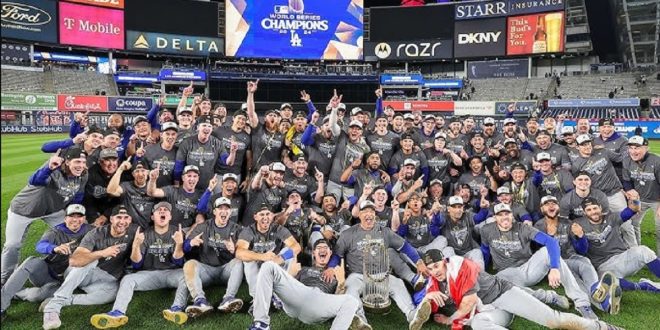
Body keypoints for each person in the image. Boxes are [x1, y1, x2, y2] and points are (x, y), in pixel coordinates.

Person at [411, 250, 621, 330]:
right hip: (490, 310)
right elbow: (425, 302)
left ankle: (603, 327)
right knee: (478, 324)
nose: (434, 272)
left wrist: (449, 320)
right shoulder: (435, 282)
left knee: (554, 321)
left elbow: (468, 302)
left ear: (445, 262)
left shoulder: (462, 267)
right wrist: (429, 296)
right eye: (430, 269)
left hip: (504, 295)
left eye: (436, 266)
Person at [480, 203, 598, 319]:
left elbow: (551, 242)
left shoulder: (523, 228)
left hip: (529, 268)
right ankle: (549, 297)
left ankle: (583, 304)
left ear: (512, 215)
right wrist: (483, 272)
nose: (504, 217)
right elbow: (485, 251)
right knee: (498, 284)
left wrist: (554, 268)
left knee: (547, 251)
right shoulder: (486, 230)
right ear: (495, 217)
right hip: (506, 273)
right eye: (500, 215)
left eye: (507, 213)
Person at [327, 200, 428, 327]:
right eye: (365, 211)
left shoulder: (385, 232)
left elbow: (405, 246)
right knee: (349, 288)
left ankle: (412, 315)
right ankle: (360, 321)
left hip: (381, 275)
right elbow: (337, 254)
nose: (368, 214)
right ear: (359, 214)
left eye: (371, 211)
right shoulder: (348, 234)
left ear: (375, 214)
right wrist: (331, 267)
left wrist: (418, 262)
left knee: (398, 284)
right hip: (359, 276)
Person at [89, 202, 185, 329]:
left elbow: (178, 261)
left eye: (165, 210)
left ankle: (176, 309)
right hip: (149, 274)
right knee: (128, 279)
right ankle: (117, 313)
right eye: (158, 210)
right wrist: (135, 246)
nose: (162, 211)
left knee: (187, 276)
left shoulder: (177, 232)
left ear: (170, 216)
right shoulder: (144, 234)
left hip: (172, 273)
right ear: (152, 217)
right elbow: (137, 264)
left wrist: (179, 244)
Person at [2, 147, 88, 286]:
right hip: (24, 210)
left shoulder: (83, 174)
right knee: (12, 245)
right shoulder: (54, 169)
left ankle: (61, 267)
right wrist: (48, 168)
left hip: (53, 211)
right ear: (67, 161)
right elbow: (35, 180)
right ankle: (5, 279)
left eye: (83, 162)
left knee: (76, 232)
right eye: (77, 161)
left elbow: (78, 195)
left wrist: (73, 216)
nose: (81, 165)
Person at [42, 205, 136, 330]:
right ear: (111, 219)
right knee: (89, 260)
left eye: (126, 218)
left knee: (113, 293)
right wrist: (101, 253)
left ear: (130, 220)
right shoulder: (96, 233)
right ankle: (53, 307)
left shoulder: (134, 232)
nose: (122, 221)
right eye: (119, 217)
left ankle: (66, 300)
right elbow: (74, 261)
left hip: (103, 279)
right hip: (82, 273)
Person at [248, 239, 369, 330]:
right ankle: (261, 323)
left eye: (325, 247)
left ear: (330, 253)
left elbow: (339, 294)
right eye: (319, 248)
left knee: (351, 301)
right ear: (314, 254)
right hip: (299, 295)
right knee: (269, 266)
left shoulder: (335, 273)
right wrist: (291, 272)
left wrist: (339, 279)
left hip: (319, 301)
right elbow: (288, 284)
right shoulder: (304, 269)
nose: (322, 249)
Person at [163, 197, 245, 322]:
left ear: (230, 212)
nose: (224, 211)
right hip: (206, 270)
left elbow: (245, 253)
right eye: (220, 208)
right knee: (189, 266)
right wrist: (191, 243)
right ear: (214, 212)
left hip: (226, 270)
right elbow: (184, 248)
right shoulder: (203, 226)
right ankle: (199, 301)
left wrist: (235, 250)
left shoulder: (237, 229)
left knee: (239, 262)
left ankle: (228, 299)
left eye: (227, 209)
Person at [1, 205, 91, 317]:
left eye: (79, 216)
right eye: (71, 216)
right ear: (65, 218)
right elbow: (40, 246)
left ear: (84, 218)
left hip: (62, 283)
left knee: (37, 296)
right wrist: (54, 248)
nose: (75, 220)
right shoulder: (56, 231)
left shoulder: (91, 230)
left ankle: (14, 292)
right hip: (46, 273)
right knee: (31, 262)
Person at [573, 197, 660, 296]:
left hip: (623, 258)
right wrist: (580, 237)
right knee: (605, 282)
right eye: (589, 210)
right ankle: (643, 286)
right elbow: (581, 251)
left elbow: (630, 211)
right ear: (584, 212)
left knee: (644, 251)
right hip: (603, 266)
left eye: (595, 208)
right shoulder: (578, 225)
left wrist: (635, 201)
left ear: (600, 208)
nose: (593, 212)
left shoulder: (611, 217)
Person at [235, 204, 302, 304]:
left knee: (289, 253)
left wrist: (281, 258)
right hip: (256, 266)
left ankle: (280, 294)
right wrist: (262, 257)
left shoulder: (278, 229)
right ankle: (256, 298)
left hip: (274, 263)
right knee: (247, 260)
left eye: (268, 214)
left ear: (272, 216)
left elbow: (296, 246)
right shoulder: (248, 231)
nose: (265, 217)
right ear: (255, 217)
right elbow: (239, 252)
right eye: (261, 214)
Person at [622, 136, 660, 253]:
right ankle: (638, 253)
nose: (633, 151)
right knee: (632, 225)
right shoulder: (627, 160)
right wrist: (629, 190)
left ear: (646, 148)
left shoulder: (656, 161)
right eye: (631, 148)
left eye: (637, 148)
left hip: (657, 200)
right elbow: (626, 180)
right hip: (639, 199)